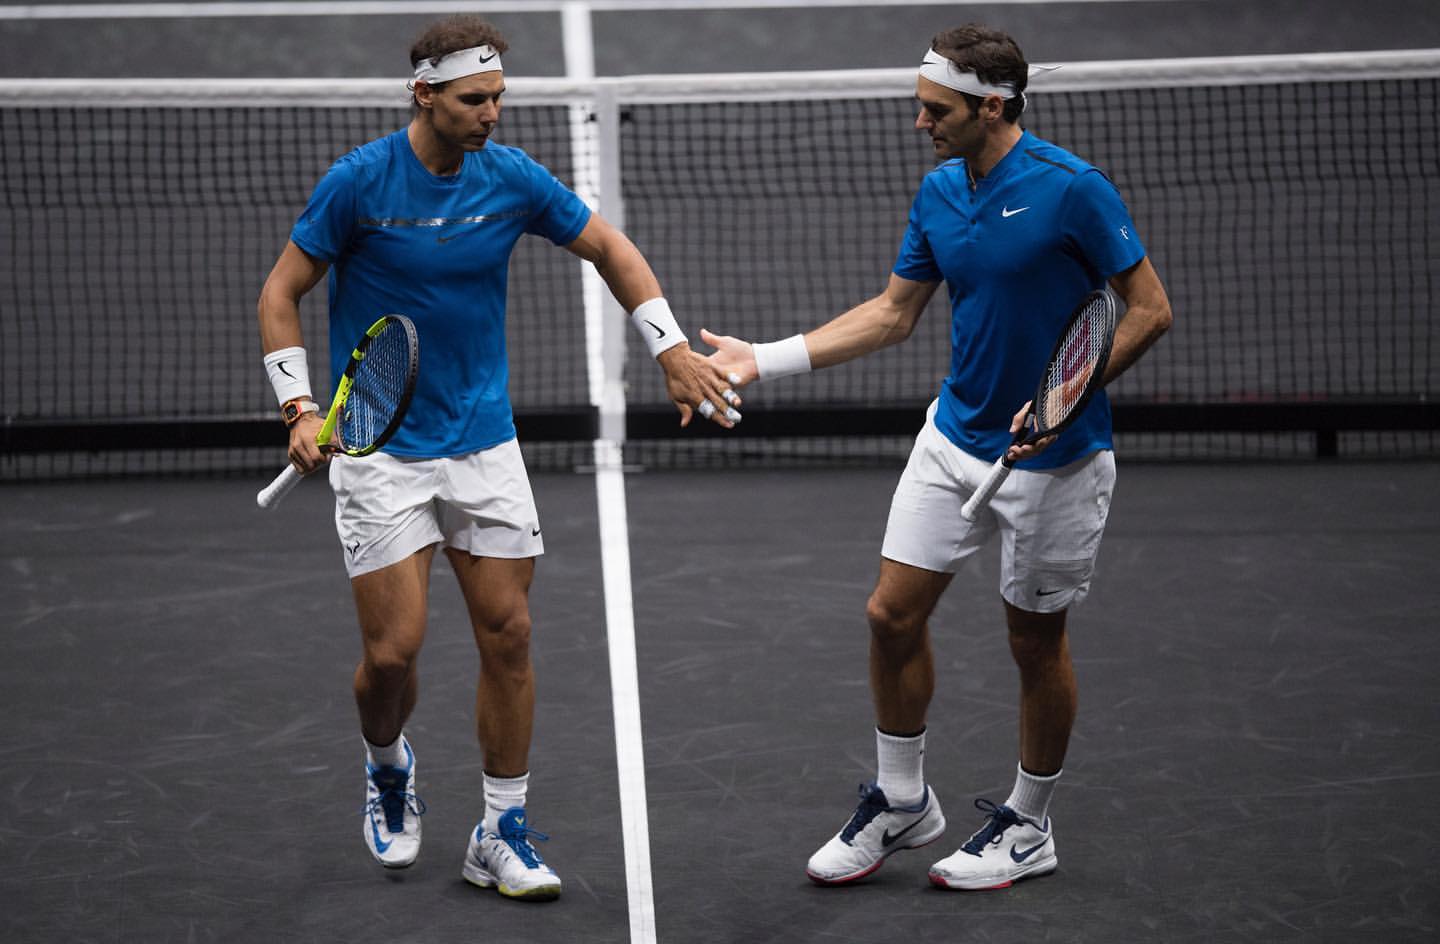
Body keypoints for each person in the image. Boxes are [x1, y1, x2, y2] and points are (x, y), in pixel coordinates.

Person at [256, 15, 740, 902]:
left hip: (484, 444)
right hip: (382, 450)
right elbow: (281, 291)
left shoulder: (511, 177)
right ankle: (387, 763)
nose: (492, 113)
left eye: (498, 98)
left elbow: (610, 248)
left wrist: (670, 347)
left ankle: (500, 831)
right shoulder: (358, 183)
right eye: (474, 99)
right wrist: (299, 406)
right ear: (424, 95)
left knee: (510, 636)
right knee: (393, 656)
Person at [702, 24, 1172, 890]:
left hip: (1056, 464)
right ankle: (903, 800)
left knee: (1034, 645)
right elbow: (892, 313)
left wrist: (1067, 397)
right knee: (891, 614)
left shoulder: (1074, 190)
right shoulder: (940, 191)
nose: (920, 124)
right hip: (953, 441)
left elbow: (1148, 308)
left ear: (991, 107)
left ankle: (1029, 825)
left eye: (936, 111)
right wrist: (761, 359)